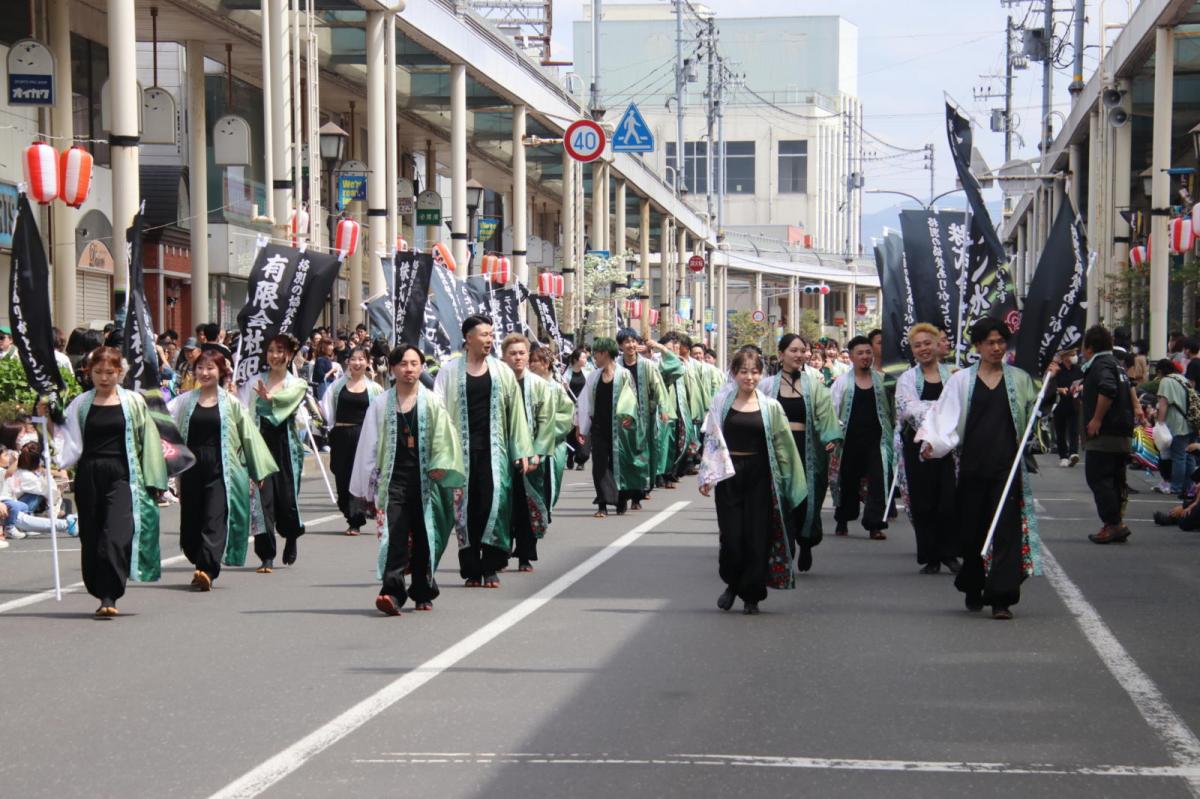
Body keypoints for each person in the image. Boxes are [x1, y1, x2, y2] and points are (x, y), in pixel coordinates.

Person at [917, 318, 1045, 620]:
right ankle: (973, 584)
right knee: (972, 533)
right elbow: (945, 416)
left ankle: (1002, 598)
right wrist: (932, 442)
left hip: (1007, 468)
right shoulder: (962, 381)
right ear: (978, 346)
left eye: (1002, 341)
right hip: (972, 467)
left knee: (1005, 533)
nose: (997, 347)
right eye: (990, 342)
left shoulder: (1020, 379)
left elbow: (1030, 419)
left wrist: (1044, 396)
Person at [54, 347, 168, 617]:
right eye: (98, 372)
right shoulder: (80, 403)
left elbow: (148, 441)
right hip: (89, 474)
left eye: (110, 372)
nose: (104, 378)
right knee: (92, 536)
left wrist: (155, 479)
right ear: (89, 373)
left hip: (123, 474)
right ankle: (97, 586)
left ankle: (110, 595)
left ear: (120, 373)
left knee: (115, 534)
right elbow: (64, 438)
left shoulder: (133, 402)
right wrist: (48, 417)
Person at [352, 344, 464, 615]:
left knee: (426, 536)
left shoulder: (432, 401)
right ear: (392, 368)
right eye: (403, 363)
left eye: (414, 363)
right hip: (394, 479)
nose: (409, 369)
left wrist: (441, 466)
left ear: (422, 367)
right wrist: (364, 484)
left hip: (427, 479)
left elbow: (446, 439)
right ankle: (391, 592)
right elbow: (369, 443)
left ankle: (423, 590)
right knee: (395, 535)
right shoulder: (380, 403)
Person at [698, 348, 806, 614]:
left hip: (761, 475)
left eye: (755, 372)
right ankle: (732, 584)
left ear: (761, 374)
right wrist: (707, 476)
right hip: (729, 476)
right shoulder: (721, 402)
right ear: (734, 373)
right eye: (744, 372)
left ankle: (752, 595)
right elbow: (711, 440)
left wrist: (790, 484)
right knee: (732, 538)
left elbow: (784, 448)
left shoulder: (771, 407)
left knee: (758, 537)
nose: (749, 377)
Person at [433, 315, 533, 589]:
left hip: (494, 452)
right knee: (464, 510)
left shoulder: (501, 372)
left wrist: (522, 450)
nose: (489, 340)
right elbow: (438, 412)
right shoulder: (449, 371)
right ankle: (471, 569)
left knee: (493, 506)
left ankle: (491, 565)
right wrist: (438, 453)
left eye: (491, 334)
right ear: (468, 338)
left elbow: (516, 415)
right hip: (459, 453)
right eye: (484, 334)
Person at [168, 349, 278, 590]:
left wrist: (258, 470)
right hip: (191, 469)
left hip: (221, 468)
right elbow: (165, 426)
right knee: (190, 525)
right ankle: (199, 562)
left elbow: (249, 436)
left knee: (214, 518)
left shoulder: (231, 403)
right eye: (200, 367)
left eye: (210, 368)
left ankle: (207, 568)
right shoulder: (184, 401)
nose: (204, 372)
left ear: (221, 372)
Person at [759, 334, 841, 573]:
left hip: (807, 450)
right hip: (778, 449)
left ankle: (806, 543)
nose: (799, 355)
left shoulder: (814, 385)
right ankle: (786, 545)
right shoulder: (767, 385)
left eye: (802, 350)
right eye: (793, 350)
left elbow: (826, 414)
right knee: (780, 498)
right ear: (781, 352)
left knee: (808, 500)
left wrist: (830, 438)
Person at [240, 335, 309, 573]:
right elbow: (246, 413)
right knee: (262, 500)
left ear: (289, 355)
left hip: (286, 448)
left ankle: (291, 535)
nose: (275, 356)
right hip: (261, 446)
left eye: (280, 351)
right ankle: (266, 554)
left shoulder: (296, 384)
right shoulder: (255, 381)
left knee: (287, 500)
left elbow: (287, 404)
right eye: (270, 351)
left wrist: (271, 399)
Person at [894, 323, 959, 574]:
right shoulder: (907, 379)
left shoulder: (954, 375)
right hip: (918, 446)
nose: (923, 349)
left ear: (937, 344)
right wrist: (941, 412)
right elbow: (908, 408)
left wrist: (939, 413)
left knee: (948, 501)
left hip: (948, 448)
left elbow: (961, 405)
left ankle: (949, 553)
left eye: (927, 343)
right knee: (923, 503)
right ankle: (930, 555)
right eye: (917, 345)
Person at [501, 334, 556, 572]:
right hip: (502, 454)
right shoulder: (497, 383)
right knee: (503, 505)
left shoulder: (540, 386)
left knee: (527, 505)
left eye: (522, 353)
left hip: (532, 455)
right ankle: (500, 552)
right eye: (512, 353)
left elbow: (547, 422)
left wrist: (537, 453)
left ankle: (525, 554)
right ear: (504, 357)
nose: (518, 357)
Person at [830, 336, 894, 540]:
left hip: (877, 441)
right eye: (860, 353)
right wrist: (832, 435)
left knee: (878, 481)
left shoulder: (883, 381)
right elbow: (833, 410)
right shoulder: (842, 383)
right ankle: (843, 518)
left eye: (868, 352)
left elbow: (892, 411)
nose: (865, 357)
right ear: (851, 357)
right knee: (847, 481)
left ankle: (875, 524)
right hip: (849, 441)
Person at [1077, 325, 1135, 544]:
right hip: (1122, 432)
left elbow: (1108, 389)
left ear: (1090, 347)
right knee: (1115, 481)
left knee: (1099, 478)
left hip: (1105, 434)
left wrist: (1096, 419)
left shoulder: (1100, 365)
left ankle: (1113, 524)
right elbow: (1128, 389)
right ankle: (1116, 522)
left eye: (1084, 346)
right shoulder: (1116, 365)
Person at [576, 337, 646, 517]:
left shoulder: (623, 375)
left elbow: (631, 399)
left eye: (596, 355)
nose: (594, 359)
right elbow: (584, 403)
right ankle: (602, 504)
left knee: (618, 465)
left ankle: (621, 498)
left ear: (604, 354)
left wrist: (630, 418)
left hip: (619, 429)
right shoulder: (594, 376)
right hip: (598, 427)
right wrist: (580, 427)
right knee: (599, 465)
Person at [320, 346, 383, 536]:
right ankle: (348, 510)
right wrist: (332, 427)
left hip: (364, 436)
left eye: (361, 359)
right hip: (341, 434)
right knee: (342, 476)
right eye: (353, 359)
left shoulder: (375, 388)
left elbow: (380, 413)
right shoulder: (337, 386)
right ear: (348, 362)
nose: (357, 363)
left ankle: (356, 519)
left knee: (361, 476)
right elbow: (327, 407)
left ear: (367, 362)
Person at [1157, 359, 1196, 501]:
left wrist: (1160, 423)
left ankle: (1176, 487)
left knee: (1178, 457)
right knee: (1189, 455)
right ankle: (1189, 486)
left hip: (1177, 423)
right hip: (1191, 422)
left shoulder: (1166, 381)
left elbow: (1163, 403)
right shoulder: (1182, 378)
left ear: (1160, 371)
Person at [1051, 350, 1083, 467]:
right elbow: (1049, 384)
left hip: (1074, 403)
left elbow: (1084, 382)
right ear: (1065, 357)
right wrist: (1059, 389)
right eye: (1072, 354)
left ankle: (1073, 453)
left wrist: (1079, 388)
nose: (1075, 356)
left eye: (1075, 354)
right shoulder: (1057, 369)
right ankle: (1063, 456)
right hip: (1059, 404)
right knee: (1060, 431)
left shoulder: (1078, 369)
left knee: (1074, 430)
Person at [565, 347, 592, 470]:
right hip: (570, 406)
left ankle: (581, 459)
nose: (585, 359)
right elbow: (563, 392)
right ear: (576, 359)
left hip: (583, 407)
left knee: (583, 431)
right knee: (571, 434)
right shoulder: (567, 373)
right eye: (583, 357)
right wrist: (564, 386)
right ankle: (570, 455)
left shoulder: (588, 371)